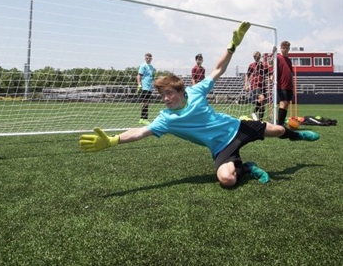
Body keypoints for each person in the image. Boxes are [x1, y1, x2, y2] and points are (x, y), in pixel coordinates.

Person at [80, 22, 320, 187]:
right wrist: (113, 140)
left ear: (180, 91)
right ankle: (247, 168)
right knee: (227, 180)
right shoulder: (166, 119)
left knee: (278, 130)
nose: (165, 99)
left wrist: (231, 47)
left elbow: (217, 69)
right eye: (162, 95)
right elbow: (141, 132)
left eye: (169, 94)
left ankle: (297, 136)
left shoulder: (195, 92)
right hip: (219, 147)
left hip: (236, 127)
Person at [272, 41, 294, 125]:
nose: (285, 50)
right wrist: (273, 53)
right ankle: (280, 124)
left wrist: (292, 84)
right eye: (284, 48)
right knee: (283, 103)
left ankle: (281, 123)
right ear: (281, 48)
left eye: (287, 48)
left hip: (289, 85)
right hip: (281, 85)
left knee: (286, 104)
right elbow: (271, 63)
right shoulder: (277, 57)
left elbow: (291, 73)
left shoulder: (289, 60)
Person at [244, 51, 269, 121]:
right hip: (255, 85)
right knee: (262, 98)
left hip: (263, 86)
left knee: (262, 104)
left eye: (257, 56)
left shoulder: (264, 65)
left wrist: (271, 77)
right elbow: (247, 75)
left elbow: (269, 73)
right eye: (254, 56)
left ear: (260, 56)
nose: (255, 57)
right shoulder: (252, 65)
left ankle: (260, 121)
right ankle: (254, 112)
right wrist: (246, 85)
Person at [137, 53, 155, 125]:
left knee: (147, 103)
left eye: (149, 58)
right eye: (146, 58)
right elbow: (138, 75)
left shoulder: (151, 67)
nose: (148, 59)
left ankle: (142, 119)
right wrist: (139, 84)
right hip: (145, 86)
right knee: (145, 103)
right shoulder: (143, 66)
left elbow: (151, 77)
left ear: (151, 59)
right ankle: (144, 119)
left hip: (150, 87)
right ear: (145, 58)